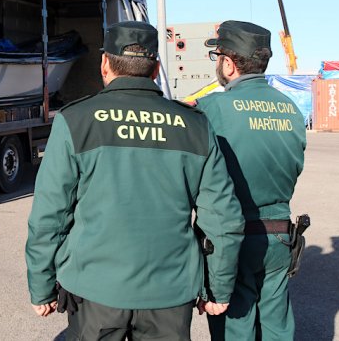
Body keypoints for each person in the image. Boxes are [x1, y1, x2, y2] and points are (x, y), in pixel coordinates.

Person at [26, 21, 245, 341]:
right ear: (156, 67)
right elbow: (222, 218)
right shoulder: (195, 125)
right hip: (170, 293)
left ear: (104, 63)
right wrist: (219, 287)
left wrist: (41, 284)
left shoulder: (76, 120)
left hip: (95, 290)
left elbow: (50, 213)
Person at [199, 20, 306, 340]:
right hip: (279, 237)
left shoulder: (212, 107)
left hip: (232, 239)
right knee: (276, 329)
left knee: (234, 327)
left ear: (229, 64)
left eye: (218, 57)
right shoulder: (291, 109)